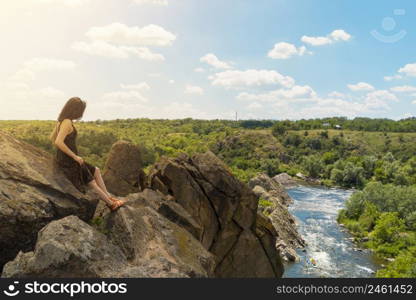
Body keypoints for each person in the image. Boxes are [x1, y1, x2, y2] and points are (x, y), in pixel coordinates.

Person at [50, 97, 125, 211]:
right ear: (75, 110)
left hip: (70, 158)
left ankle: (109, 197)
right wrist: (75, 157)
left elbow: (55, 139)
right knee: (91, 182)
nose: (81, 114)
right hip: (69, 160)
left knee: (96, 170)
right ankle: (110, 204)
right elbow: (58, 142)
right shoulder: (67, 122)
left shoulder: (62, 120)